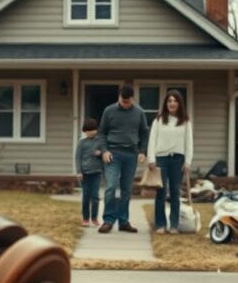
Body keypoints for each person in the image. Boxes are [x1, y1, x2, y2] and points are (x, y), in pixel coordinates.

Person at [97, 84, 149, 233]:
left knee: (126, 189)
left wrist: (142, 151)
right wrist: (104, 151)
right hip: (113, 154)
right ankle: (108, 220)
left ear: (132, 99)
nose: (125, 104)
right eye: (122, 101)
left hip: (131, 154)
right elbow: (102, 133)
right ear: (119, 97)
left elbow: (144, 133)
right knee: (111, 187)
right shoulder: (109, 111)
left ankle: (123, 221)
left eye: (127, 101)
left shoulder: (139, 113)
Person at [147, 90, 193, 234]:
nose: (172, 103)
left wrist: (188, 161)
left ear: (179, 104)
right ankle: (160, 224)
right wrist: (151, 159)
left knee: (175, 192)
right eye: (169, 101)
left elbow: (189, 143)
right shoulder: (158, 120)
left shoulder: (185, 121)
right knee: (161, 192)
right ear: (166, 103)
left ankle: (174, 225)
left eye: (175, 101)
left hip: (178, 160)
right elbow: (152, 140)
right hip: (161, 159)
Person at [74, 118, 104, 227]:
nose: (92, 132)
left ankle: (94, 218)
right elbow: (78, 158)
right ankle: (85, 218)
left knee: (95, 197)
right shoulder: (82, 143)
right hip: (85, 174)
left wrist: (100, 153)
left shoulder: (100, 141)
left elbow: (104, 153)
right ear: (85, 131)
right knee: (86, 196)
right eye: (89, 130)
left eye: (94, 130)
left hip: (96, 173)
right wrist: (79, 171)